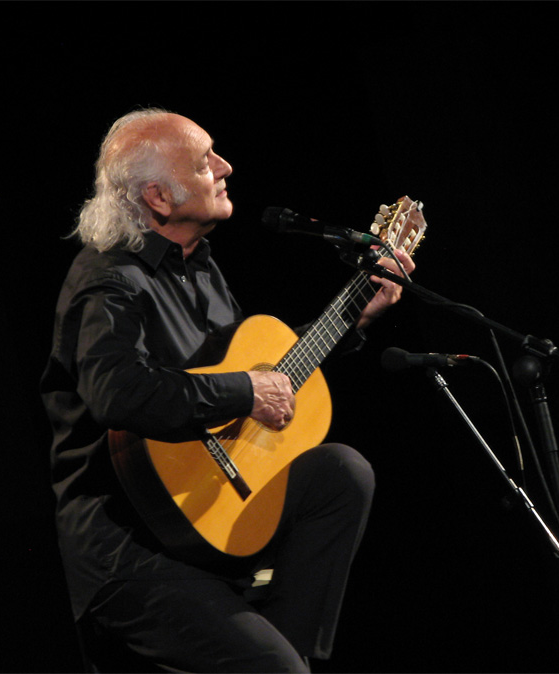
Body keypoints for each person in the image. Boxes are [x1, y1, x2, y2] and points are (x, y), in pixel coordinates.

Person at [40, 108, 415, 672]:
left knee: (340, 473)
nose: (225, 166)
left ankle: (293, 655)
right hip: (130, 550)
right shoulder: (108, 277)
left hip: (209, 522)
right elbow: (119, 394)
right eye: (204, 160)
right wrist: (243, 392)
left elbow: (271, 378)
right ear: (158, 198)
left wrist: (354, 315)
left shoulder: (203, 270)